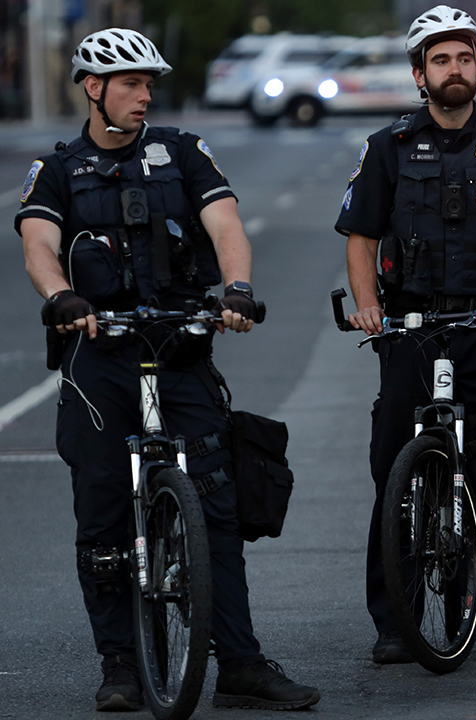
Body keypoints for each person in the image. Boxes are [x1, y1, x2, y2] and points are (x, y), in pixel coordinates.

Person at [15, 29, 319, 712]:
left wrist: (236, 288)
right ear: (93, 88)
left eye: (149, 82)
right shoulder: (59, 170)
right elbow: (39, 242)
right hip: (103, 357)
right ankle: (120, 663)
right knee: (100, 516)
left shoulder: (182, 153)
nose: (145, 94)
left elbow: (226, 225)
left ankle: (240, 664)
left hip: (180, 347)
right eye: (130, 83)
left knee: (219, 505)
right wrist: (60, 294)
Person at [335, 5, 476, 666]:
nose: (455, 69)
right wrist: (367, 305)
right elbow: (359, 235)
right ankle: (395, 618)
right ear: (420, 74)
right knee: (394, 472)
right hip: (410, 326)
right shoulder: (389, 146)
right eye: (441, 59)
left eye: (466, 58)